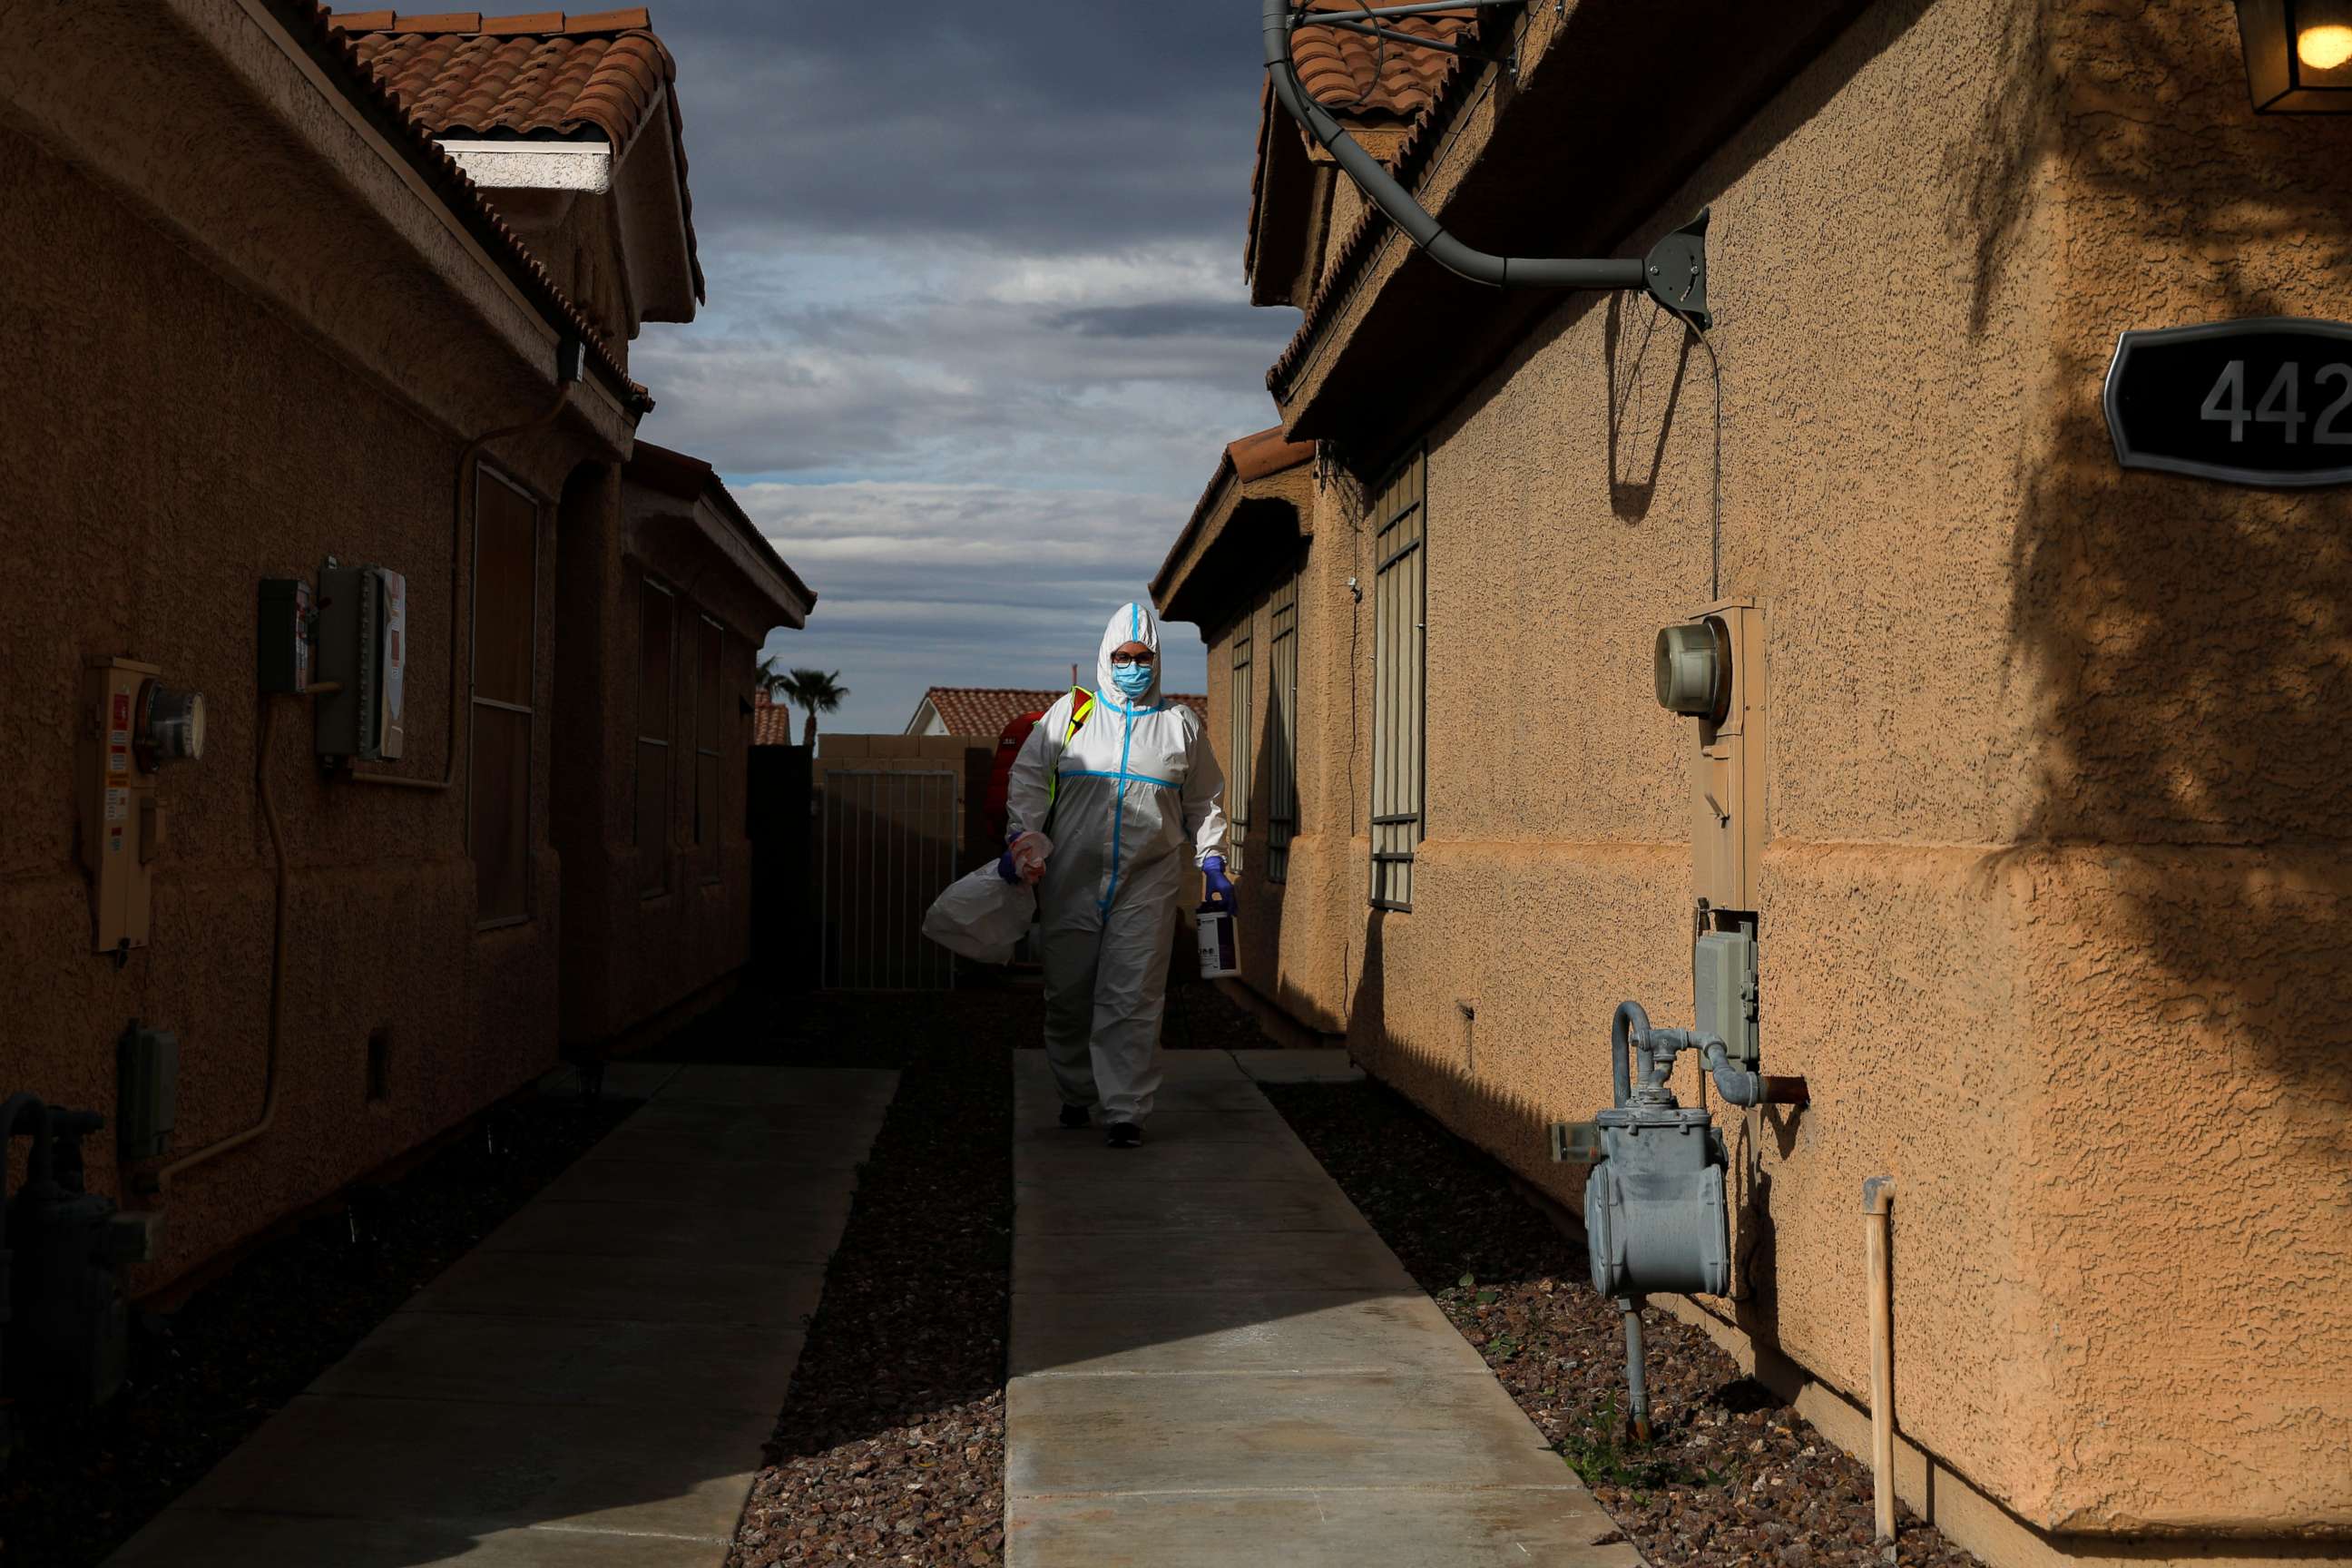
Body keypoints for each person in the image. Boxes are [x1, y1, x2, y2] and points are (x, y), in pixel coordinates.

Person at [1002, 602, 1234, 1148]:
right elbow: (1030, 780)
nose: (1133, 666)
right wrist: (1023, 837)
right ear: (1106, 658)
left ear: (1157, 659)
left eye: (1143, 656)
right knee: (1069, 994)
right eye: (1123, 657)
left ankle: (1125, 1108)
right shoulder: (1070, 715)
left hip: (1146, 882)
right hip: (1071, 881)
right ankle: (1076, 1091)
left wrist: (1214, 861)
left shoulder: (1179, 726)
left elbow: (1206, 800)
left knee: (1132, 996)